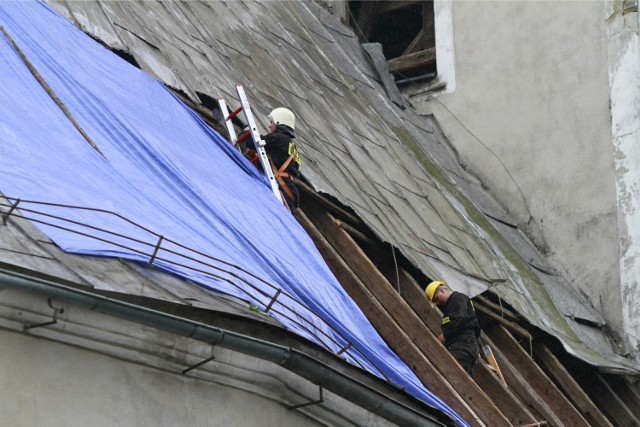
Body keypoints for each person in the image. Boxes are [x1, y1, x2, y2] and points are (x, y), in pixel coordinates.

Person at [245, 107, 300, 214]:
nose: (269, 125)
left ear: (279, 123)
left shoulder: (278, 138)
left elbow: (254, 143)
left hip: (282, 189)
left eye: (272, 122)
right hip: (290, 191)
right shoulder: (292, 147)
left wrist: (247, 132)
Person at [425, 280, 481, 375]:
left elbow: (460, 318)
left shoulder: (457, 298)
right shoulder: (452, 305)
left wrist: (445, 335)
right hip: (462, 345)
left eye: (437, 299)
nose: (437, 303)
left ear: (442, 291)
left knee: (452, 374)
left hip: (463, 346)